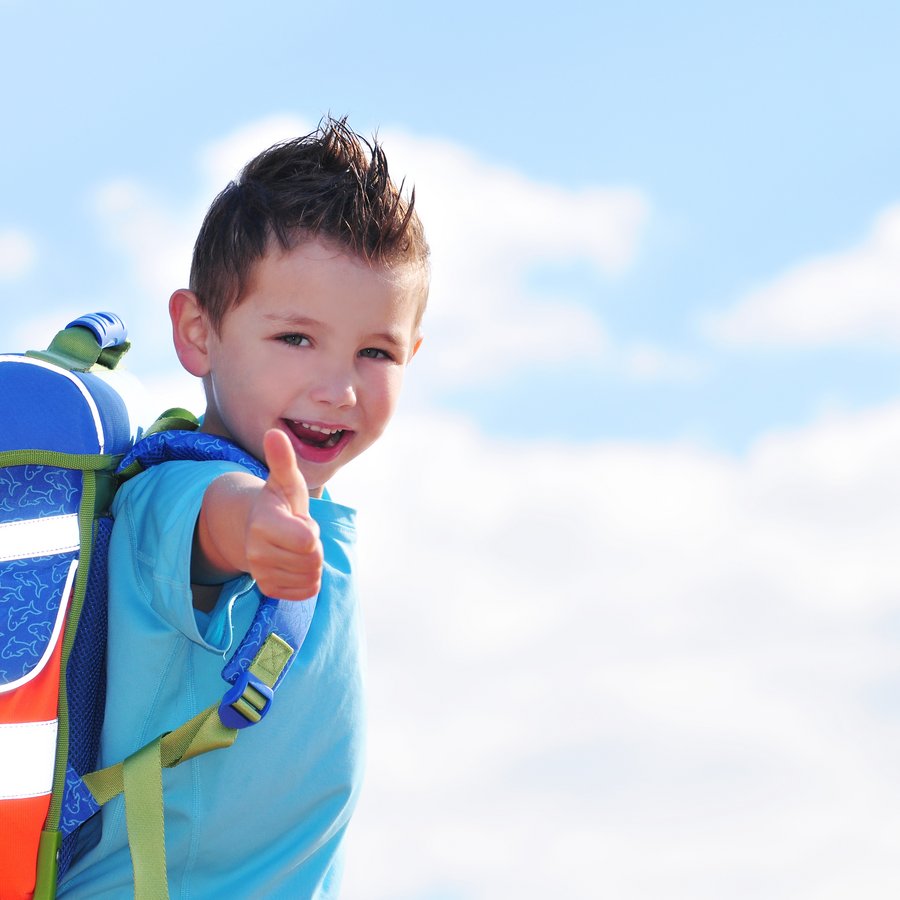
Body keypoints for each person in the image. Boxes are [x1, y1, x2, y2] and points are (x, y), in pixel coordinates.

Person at [58, 116, 429, 898]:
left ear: (412, 354)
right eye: (296, 338)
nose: (340, 386)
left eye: (376, 351)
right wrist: (258, 529)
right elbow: (214, 524)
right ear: (199, 333)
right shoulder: (175, 489)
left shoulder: (315, 516)